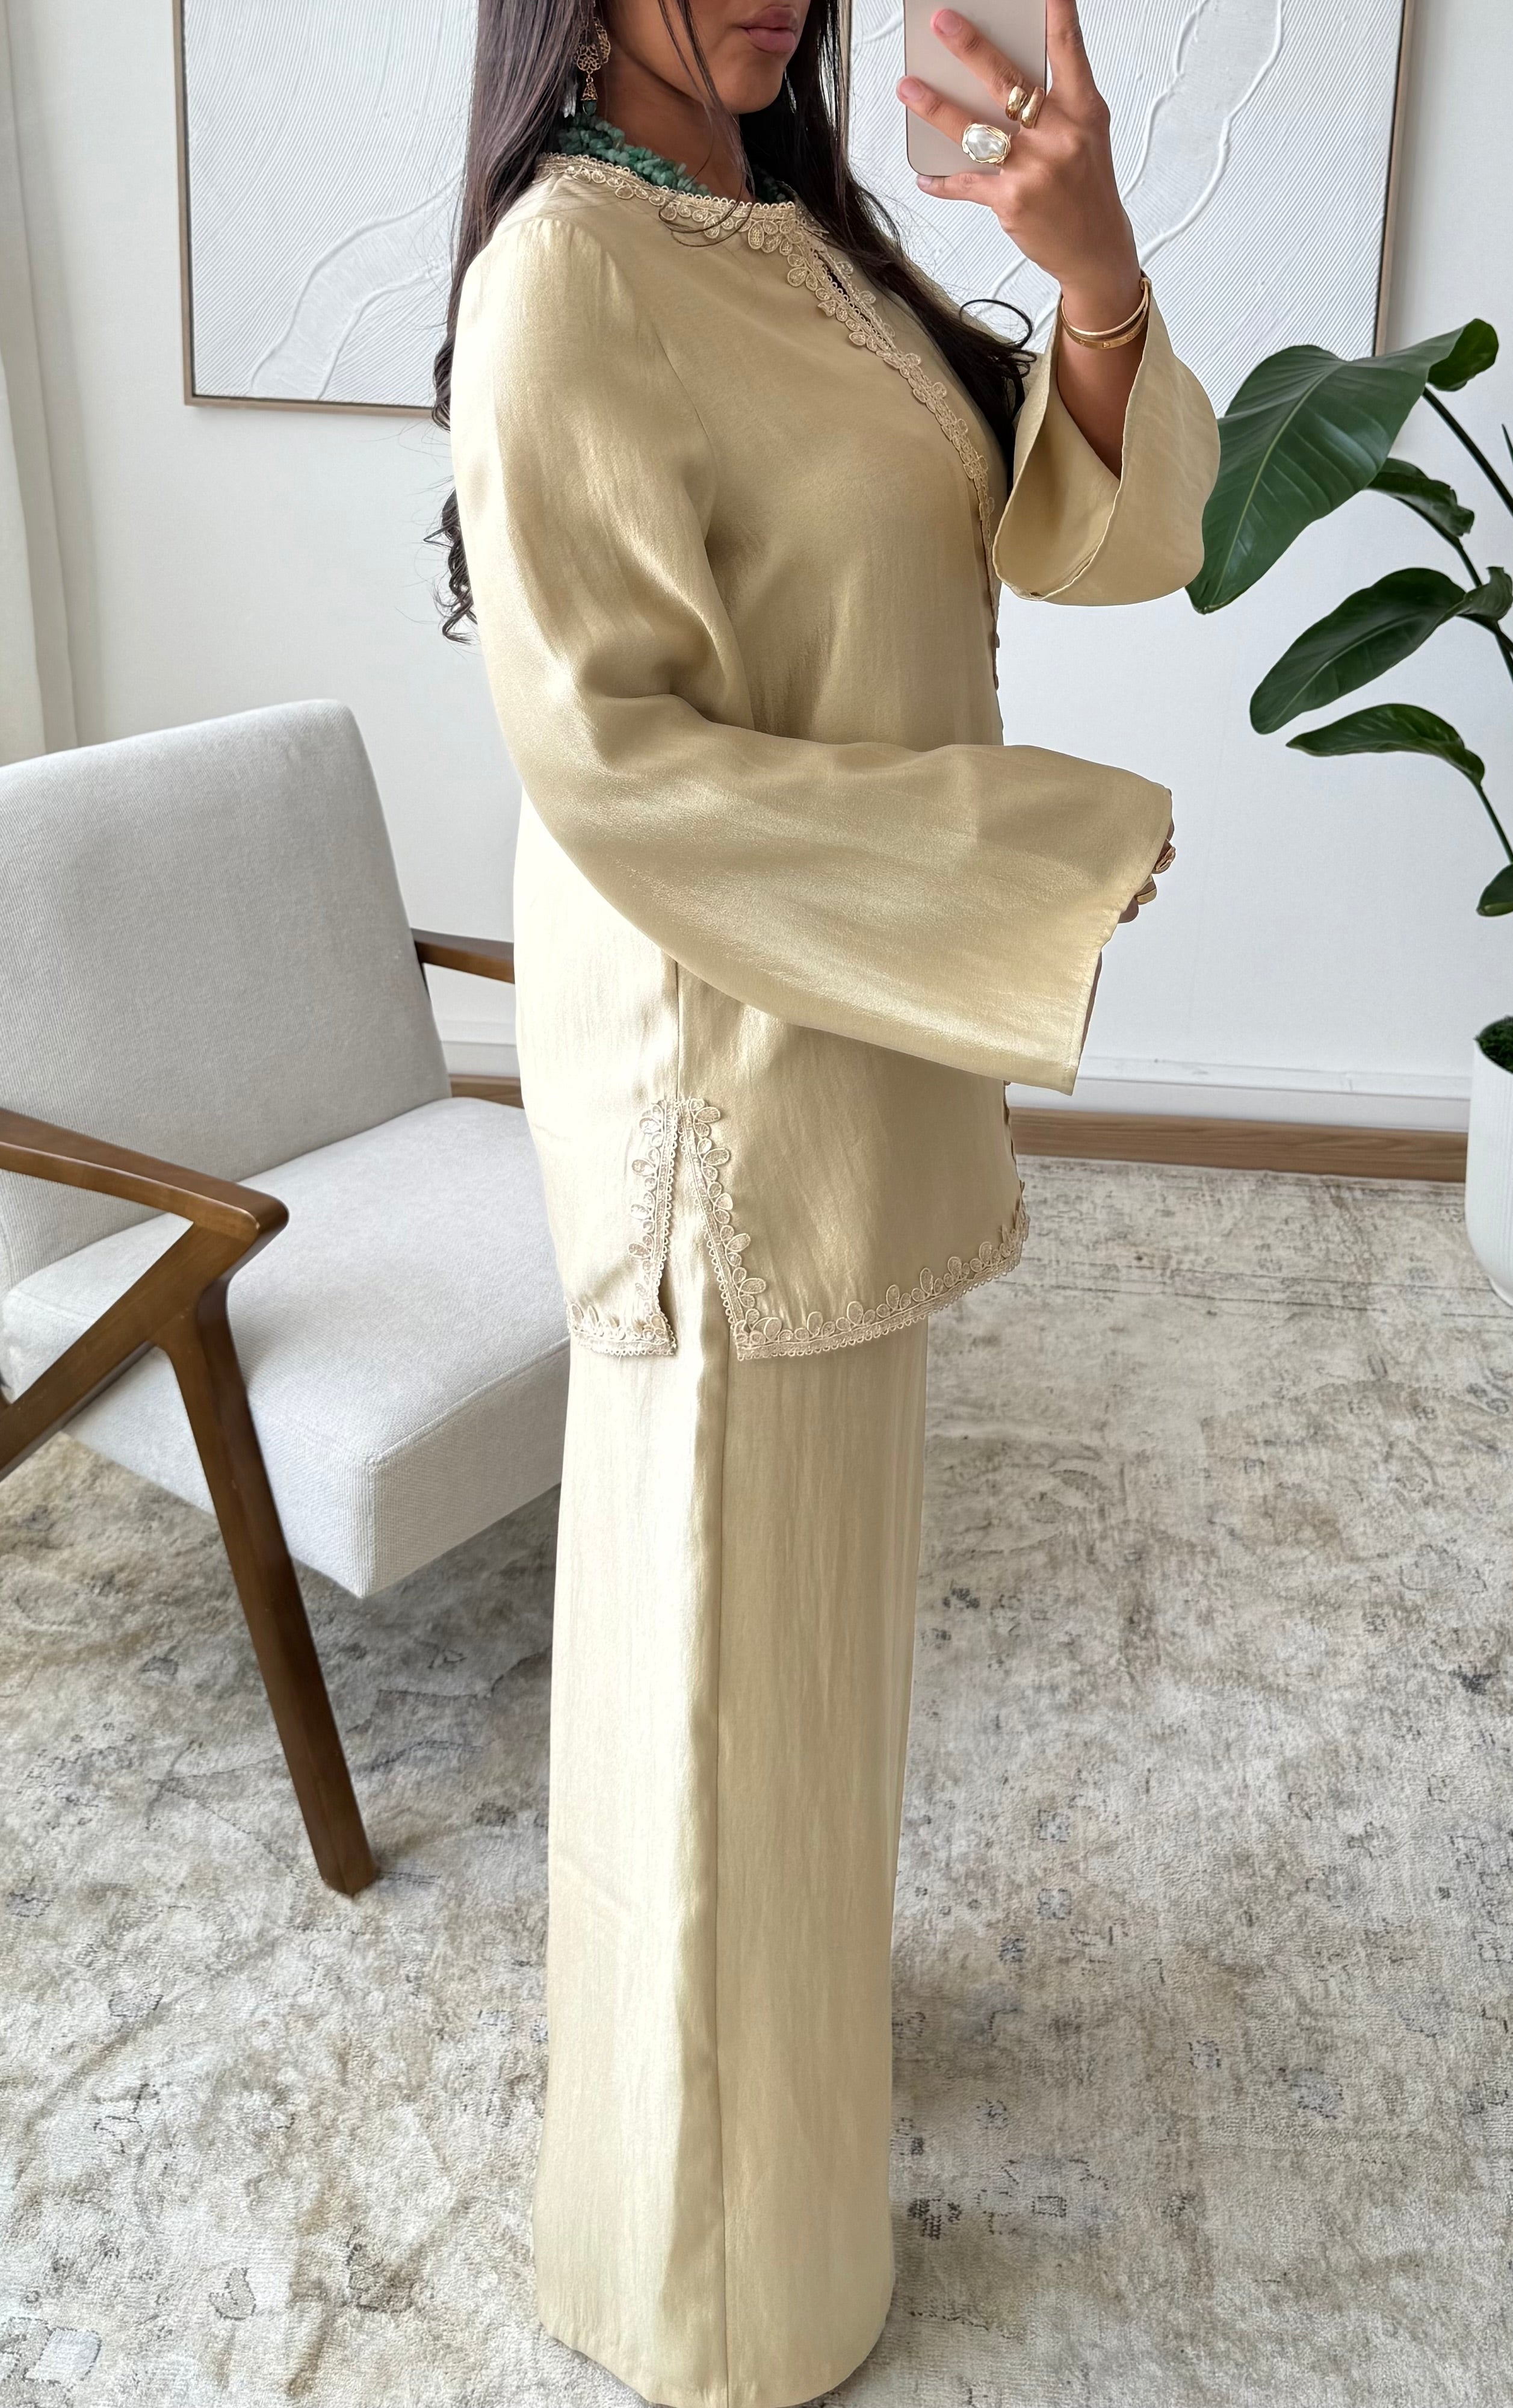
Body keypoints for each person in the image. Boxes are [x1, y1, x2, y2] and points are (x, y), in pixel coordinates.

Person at [437, 0, 1218, 2397]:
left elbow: (1058, 526)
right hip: (723, 1089)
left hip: (847, 1046)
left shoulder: (784, 228)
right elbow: (612, 763)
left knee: (794, 1688)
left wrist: (1091, 278)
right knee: (708, 1703)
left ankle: (785, 2108)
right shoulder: (570, 271)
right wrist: (1035, 854)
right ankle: (706, 2297)